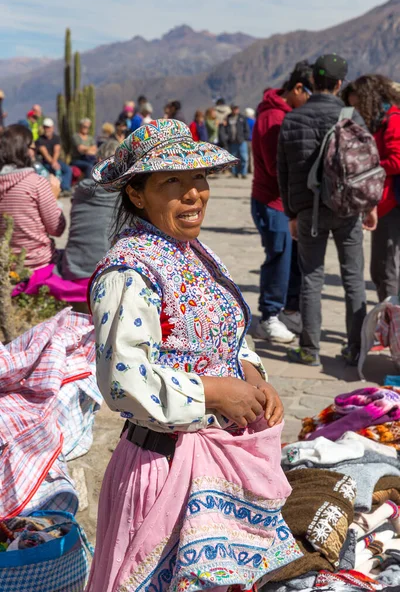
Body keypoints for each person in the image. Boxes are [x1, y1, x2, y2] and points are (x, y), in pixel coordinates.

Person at [86, 119, 300, 591]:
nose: (193, 194)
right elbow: (125, 382)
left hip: (220, 465)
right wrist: (215, 392)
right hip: (163, 471)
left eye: (198, 178)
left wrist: (249, 374)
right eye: (172, 181)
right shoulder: (129, 272)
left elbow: (229, 332)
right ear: (138, 195)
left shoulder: (197, 254)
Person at [278, 54, 377, 367]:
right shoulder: (351, 117)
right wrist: (369, 206)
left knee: (311, 278)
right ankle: (355, 348)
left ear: (310, 82)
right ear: (339, 83)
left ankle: (309, 349)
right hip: (348, 209)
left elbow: (285, 173)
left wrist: (292, 214)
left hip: (309, 210)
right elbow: (366, 165)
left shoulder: (292, 119)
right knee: (353, 279)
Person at [252, 61, 313, 343]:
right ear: (297, 88)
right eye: (309, 94)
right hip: (272, 201)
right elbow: (276, 167)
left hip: (286, 201)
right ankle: (268, 316)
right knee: (278, 257)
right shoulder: (274, 118)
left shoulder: (286, 113)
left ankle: (287, 310)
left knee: (290, 260)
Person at [344, 75, 400, 302]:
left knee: (385, 268)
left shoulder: (392, 119)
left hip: (391, 203)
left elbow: (397, 159)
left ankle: (392, 328)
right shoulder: (383, 118)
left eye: (357, 104)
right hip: (385, 201)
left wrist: (368, 167)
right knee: (383, 268)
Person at [55, 138, 118, 310]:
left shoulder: (81, 190)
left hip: (72, 269)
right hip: (106, 274)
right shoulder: (126, 195)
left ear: (98, 162)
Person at [0, 125, 65, 271]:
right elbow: (57, 228)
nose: (34, 151)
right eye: (32, 147)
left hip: (6, 264)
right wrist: (54, 199)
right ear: (22, 149)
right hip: (38, 264)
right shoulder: (36, 183)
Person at [36, 118, 72, 192]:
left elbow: (57, 151)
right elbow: (45, 154)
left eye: (48, 127)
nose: (47, 129)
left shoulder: (56, 138)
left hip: (56, 161)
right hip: (45, 163)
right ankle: (54, 190)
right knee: (53, 171)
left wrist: (55, 162)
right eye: (45, 127)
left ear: (52, 128)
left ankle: (65, 188)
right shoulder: (40, 140)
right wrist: (53, 163)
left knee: (67, 169)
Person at [224, 105, 250, 178]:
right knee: (233, 158)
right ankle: (234, 173)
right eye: (234, 109)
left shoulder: (242, 118)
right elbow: (225, 128)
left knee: (244, 157)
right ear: (231, 109)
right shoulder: (228, 118)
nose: (235, 110)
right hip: (232, 141)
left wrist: (245, 137)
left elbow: (246, 128)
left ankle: (243, 173)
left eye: (236, 109)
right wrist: (227, 138)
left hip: (242, 141)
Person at [245, 107, 256, 174]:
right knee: (252, 155)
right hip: (252, 140)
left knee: (246, 155)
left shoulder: (245, 121)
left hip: (246, 140)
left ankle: (246, 169)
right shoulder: (254, 121)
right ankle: (251, 169)